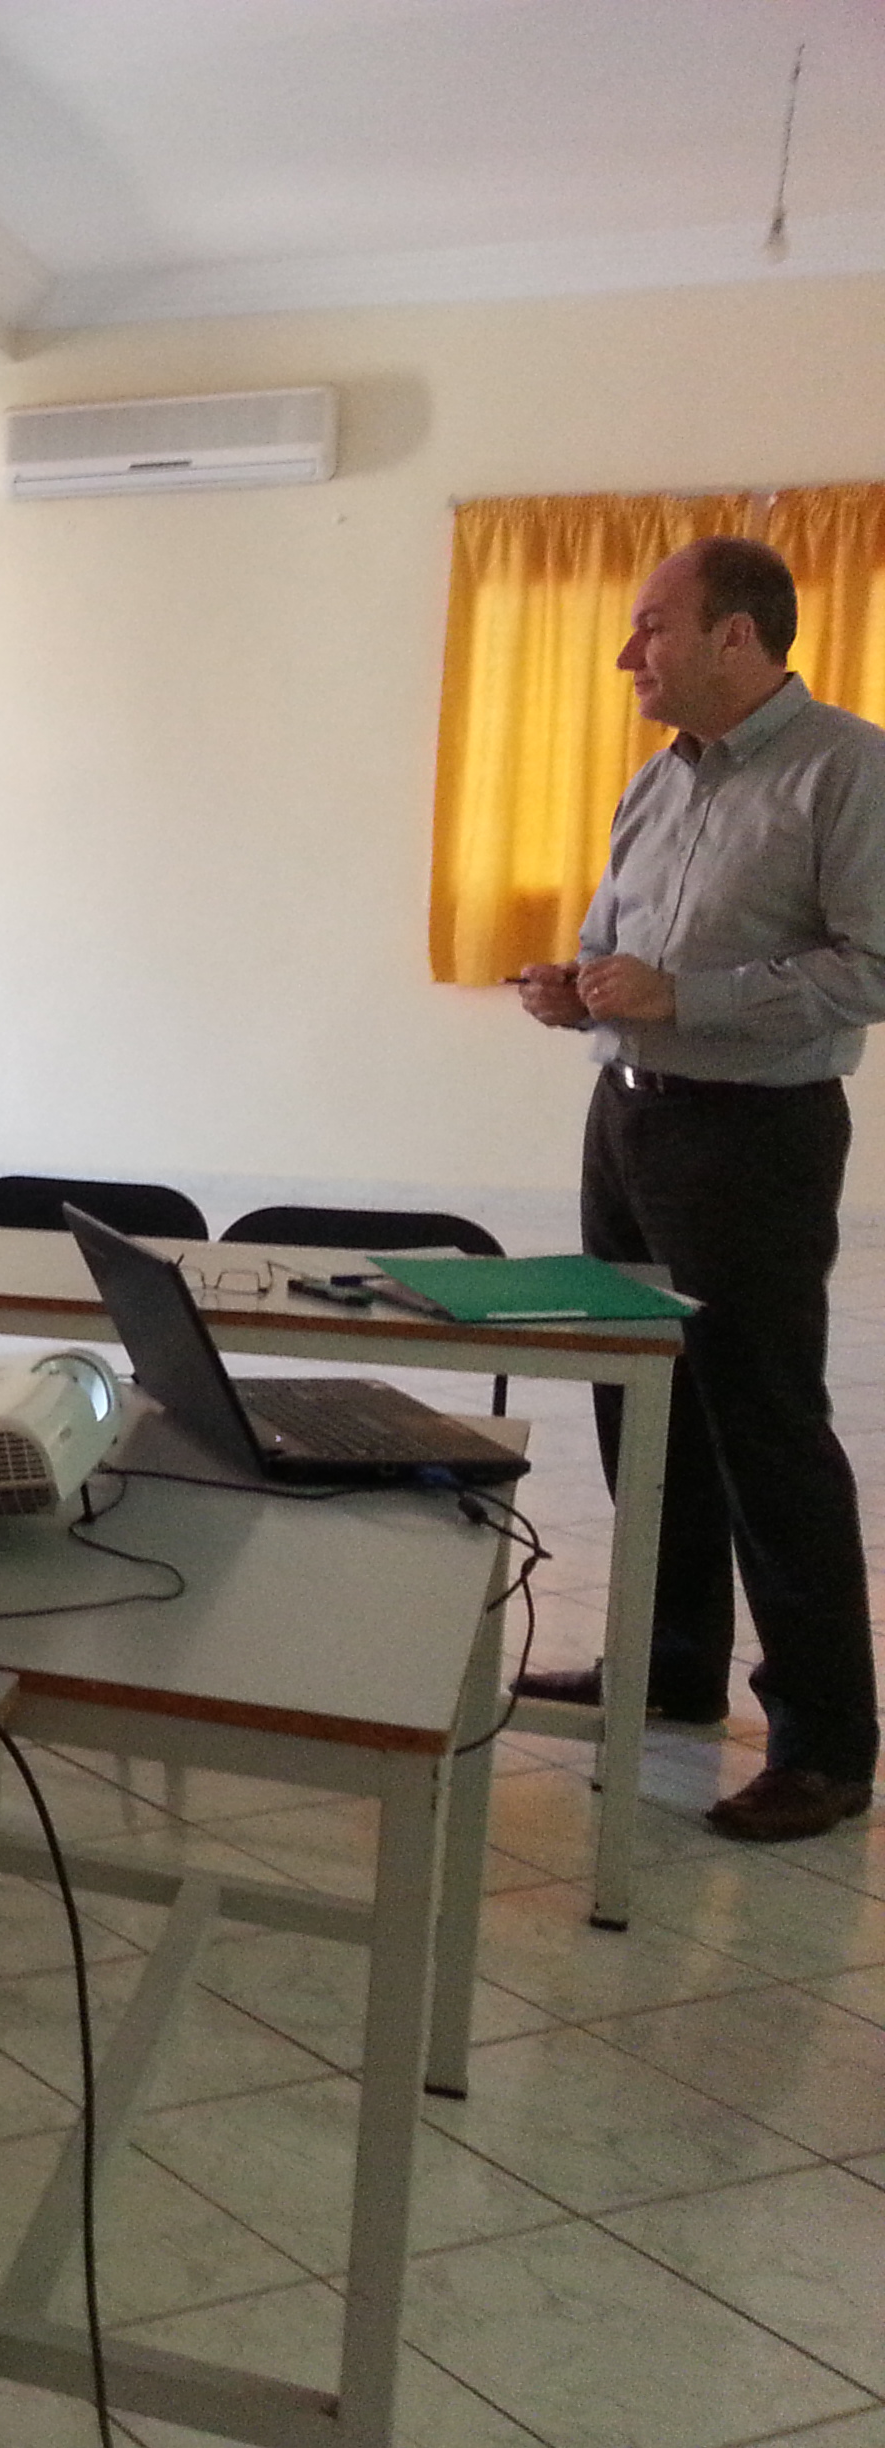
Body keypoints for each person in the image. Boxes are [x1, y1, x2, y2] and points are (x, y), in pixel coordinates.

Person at [511, 537, 885, 1843]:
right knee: (641, 1405)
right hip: (627, 1122)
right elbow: (615, 942)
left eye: (652, 627)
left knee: (763, 1425)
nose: (629, 654)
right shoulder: (657, 778)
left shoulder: (847, 767)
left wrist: (690, 999)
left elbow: (874, 967)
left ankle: (826, 1743)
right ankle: (671, 1668)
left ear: (738, 636)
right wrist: (578, 988)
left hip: (754, 1138)